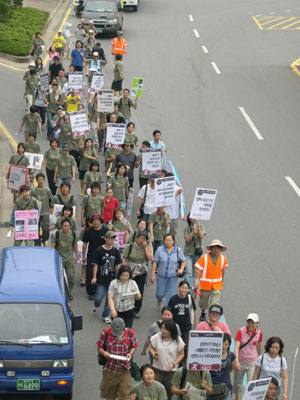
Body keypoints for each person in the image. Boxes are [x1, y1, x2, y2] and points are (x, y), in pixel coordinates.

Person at [97, 317, 138, 400]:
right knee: (110, 396)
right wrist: (104, 353)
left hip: (125, 369)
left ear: (124, 327)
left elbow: (134, 346)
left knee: (125, 395)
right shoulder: (105, 333)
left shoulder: (130, 333)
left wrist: (130, 353)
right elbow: (99, 347)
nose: (117, 334)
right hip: (110, 369)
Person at [194, 239, 229, 322]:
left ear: (220, 249)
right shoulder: (204, 258)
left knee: (214, 304)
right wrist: (197, 281)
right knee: (203, 303)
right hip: (205, 285)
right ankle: (203, 311)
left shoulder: (223, 259)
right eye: (214, 248)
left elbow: (223, 271)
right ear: (211, 248)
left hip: (216, 285)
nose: (216, 250)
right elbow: (199, 269)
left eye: (218, 248)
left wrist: (222, 283)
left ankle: (211, 318)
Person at [150, 319, 185, 400]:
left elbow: (182, 354)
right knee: (156, 392)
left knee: (168, 393)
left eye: (166, 329)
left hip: (171, 372)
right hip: (157, 369)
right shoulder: (157, 337)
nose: (163, 331)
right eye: (162, 328)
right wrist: (155, 354)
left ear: (171, 330)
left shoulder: (178, 340)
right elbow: (152, 348)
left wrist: (173, 364)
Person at [91, 230, 121, 322]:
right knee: (98, 297)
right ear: (105, 238)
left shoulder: (115, 251)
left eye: (113, 238)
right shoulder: (99, 250)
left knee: (110, 299)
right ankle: (96, 304)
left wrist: (118, 277)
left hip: (112, 280)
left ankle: (105, 315)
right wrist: (94, 277)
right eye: (110, 238)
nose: (111, 240)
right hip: (101, 279)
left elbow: (117, 266)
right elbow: (95, 264)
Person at [122, 231, 153, 319]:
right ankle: (127, 307)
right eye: (141, 238)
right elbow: (124, 258)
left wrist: (145, 247)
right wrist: (124, 270)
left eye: (144, 238)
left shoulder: (146, 247)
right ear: (137, 238)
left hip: (141, 271)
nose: (142, 240)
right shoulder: (130, 246)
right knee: (129, 289)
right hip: (130, 271)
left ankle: (137, 309)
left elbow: (150, 258)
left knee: (139, 291)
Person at [151, 234, 186, 307]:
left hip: (173, 277)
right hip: (161, 276)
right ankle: (160, 299)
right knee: (159, 294)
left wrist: (181, 269)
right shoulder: (160, 249)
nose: (168, 242)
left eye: (169, 240)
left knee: (171, 295)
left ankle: (168, 311)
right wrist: (153, 274)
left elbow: (183, 261)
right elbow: (155, 262)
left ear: (173, 241)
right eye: (166, 240)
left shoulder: (178, 250)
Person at [234, 313, 263, 400]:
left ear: (257, 323)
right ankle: (237, 397)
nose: (250, 325)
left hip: (252, 363)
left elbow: (259, 346)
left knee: (252, 384)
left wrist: (260, 359)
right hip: (241, 362)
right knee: (237, 383)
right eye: (249, 322)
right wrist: (236, 361)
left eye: (253, 323)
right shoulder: (240, 331)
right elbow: (236, 347)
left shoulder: (259, 333)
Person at [168, 281, 197, 365]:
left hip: (187, 326)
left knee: (186, 346)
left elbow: (194, 310)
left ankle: (183, 364)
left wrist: (195, 323)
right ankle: (175, 361)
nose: (184, 290)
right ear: (179, 288)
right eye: (182, 287)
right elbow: (169, 311)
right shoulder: (173, 299)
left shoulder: (189, 298)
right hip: (176, 327)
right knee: (176, 346)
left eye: (186, 288)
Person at [51, 218, 77, 298]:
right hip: (59, 259)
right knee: (59, 277)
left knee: (70, 277)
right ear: (61, 226)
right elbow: (53, 245)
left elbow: (75, 245)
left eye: (68, 226)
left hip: (69, 259)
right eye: (65, 226)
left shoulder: (73, 234)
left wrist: (76, 256)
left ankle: (68, 293)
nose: (66, 227)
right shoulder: (57, 234)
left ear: (70, 226)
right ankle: (59, 292)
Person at [210, 333, 238, 400]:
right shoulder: (210, 355)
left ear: (229, 345)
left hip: (225, 387)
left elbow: (231, 369)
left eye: (226, 344)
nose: (223, 346)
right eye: (221, 344)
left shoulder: (231, 356)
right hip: (211, 387)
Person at [183, 213, 205, 288]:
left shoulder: (201, 226)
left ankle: (193, 288)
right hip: (188, 253)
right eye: (193, 217)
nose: (194, 219)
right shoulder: (186, 228)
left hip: (197, 253)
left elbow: (202, 236)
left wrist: (199, 229)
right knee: (189, 272)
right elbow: (187, 239)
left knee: (196, 272)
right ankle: (188, 289)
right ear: (189, 219)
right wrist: (192, 233)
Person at [31, 173, 52, 246]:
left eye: (42, 179)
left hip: (45, 212)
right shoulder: (33, 191)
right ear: (36, 180)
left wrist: (51, 212)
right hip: (36, 213)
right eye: (39, 179)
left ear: (44, 180)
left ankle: (44, 239)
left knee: (46, 228)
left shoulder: (47, 190)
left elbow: (50, 201)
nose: (40, 181)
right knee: (35, 229)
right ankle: (37, 243)